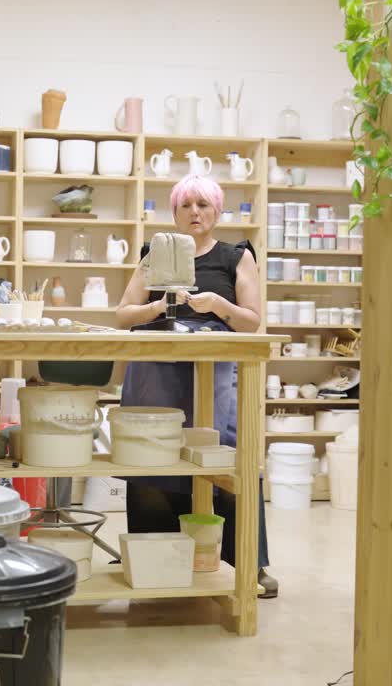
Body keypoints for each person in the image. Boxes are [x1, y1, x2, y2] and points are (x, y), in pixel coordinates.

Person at [114, 174, 276, 598]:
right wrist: (158, 305)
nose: (194, 212)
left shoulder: (235, 257)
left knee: (226, 459)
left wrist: (219, 305)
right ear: (174, 213)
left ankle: (247, 563)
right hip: (157, 368)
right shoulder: (155, 253)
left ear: (217, 212)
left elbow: (252, 322)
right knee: (152, 458)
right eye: (185, 205)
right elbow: (123, 314)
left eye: (203, 205)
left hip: (214, 369)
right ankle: (154, 557)